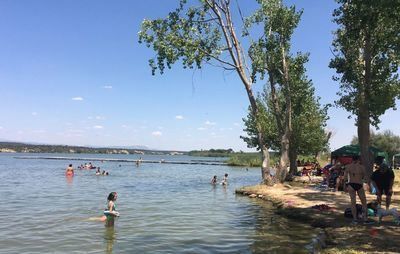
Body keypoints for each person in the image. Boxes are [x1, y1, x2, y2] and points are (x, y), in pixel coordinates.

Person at [343, 155, 367, 223]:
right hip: (359, 184)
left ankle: (355, 219)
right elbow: (364, 177)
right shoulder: (362, 167)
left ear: (352, 159)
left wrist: (345, 185)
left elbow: (345, 177)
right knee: (364, 203)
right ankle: (365, 219)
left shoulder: (348, 166)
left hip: (351, 184)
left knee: (353, 202)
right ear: (358, 159)